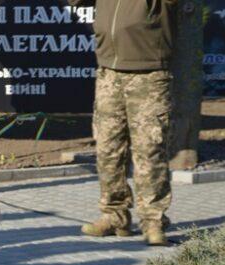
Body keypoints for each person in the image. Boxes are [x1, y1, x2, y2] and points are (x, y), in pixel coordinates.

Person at [69, 0, 177, 247]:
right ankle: (114, 215)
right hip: (109, 72)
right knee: (107, 149)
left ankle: (153, 221)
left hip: (149, 74)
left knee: (150, 151)